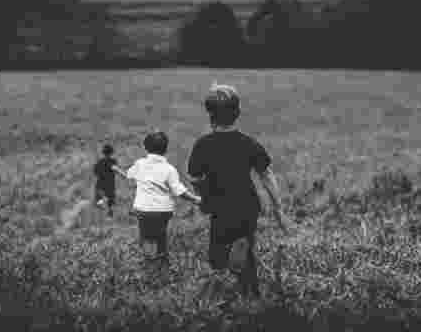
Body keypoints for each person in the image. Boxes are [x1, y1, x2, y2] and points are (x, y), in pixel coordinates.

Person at [187, 82, 294, 298]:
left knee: (217, 255)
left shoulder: (203, 145)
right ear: (237, 113)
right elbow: (266, 175)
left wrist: (204, 196)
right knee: (246, 250)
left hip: (220, 207)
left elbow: (195, 177)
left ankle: (224, 291)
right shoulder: (248, 143)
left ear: (210, 115)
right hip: (247, 205)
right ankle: (250, 292)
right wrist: (278, 210)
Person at [113, 131, 201, 279]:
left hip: (143, 210)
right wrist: (196, 199)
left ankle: (150, 267)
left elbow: (129, 177)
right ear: (165, 149)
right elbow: (179, 191)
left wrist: (117, 170)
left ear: (145, 147)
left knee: (147, 237)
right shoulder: (169, 169)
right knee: (160, 236)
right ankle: (162, 265)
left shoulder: (140, 164)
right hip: (162, 211)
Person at [93, 144, 118, 217]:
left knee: (99, 197)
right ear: (111, 153)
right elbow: (115, 170)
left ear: (103, 153)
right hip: (110, 183)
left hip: (100, 182)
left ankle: (100, 208)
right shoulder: (113, 161)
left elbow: (95, 172)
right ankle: (109, 212)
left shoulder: (99, 162)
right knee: (110, 199)